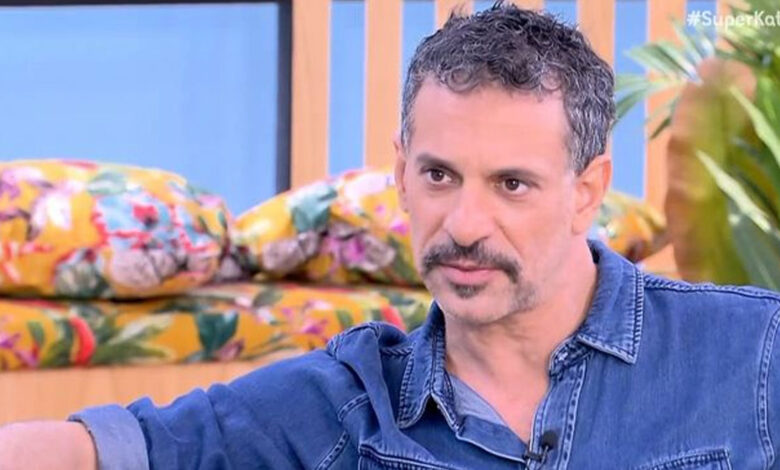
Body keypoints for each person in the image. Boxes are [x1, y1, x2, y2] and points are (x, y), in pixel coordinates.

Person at [2, 2, 780, 468]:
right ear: (400, 172)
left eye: (511, 184)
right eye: (439, 175)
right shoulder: (340, 403)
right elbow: (103, 451)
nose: (464, 225)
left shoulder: (751, 354)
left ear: (588, 191)